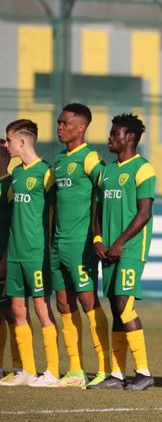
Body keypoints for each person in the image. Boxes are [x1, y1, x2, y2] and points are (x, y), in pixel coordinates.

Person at [88, 113, 155, 391]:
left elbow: (144, 213)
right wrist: (99, 240)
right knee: (117, 309)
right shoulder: (107, 171)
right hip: (109, 251)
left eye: (114, 134)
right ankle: (116, 374)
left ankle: (144, 372)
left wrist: (120, 242)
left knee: (125, 306)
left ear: (130, 138)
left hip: (130, 250)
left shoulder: (143, 169)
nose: (109, 138)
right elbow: (98, 211)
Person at [51, 103, 111, 388]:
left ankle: (104, 367)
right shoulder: (59, 161)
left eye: (65, 123)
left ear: (81, 127)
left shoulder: (89, 159)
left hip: (81, 244)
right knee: (63, 303)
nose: (59, 127)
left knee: (88, 302)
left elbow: (108, 193)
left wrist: (98, 235)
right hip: (57, 244)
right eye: (59, 122)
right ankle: (75, 368)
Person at [2, 120, 59, 387]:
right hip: (15, 253)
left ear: (22, 142)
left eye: (8, 140)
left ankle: (53, 371)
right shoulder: (17, 175)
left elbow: (59, 210)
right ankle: (26, 370)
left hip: (37, 253)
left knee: (41, 308)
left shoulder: (47, 173)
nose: (6, 145)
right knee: (17, 309)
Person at [0, 140, 23, 383]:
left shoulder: (10, 185)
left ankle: (19, 366)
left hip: (6, 258)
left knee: (11, 312)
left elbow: (16, 224)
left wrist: (7, 256)